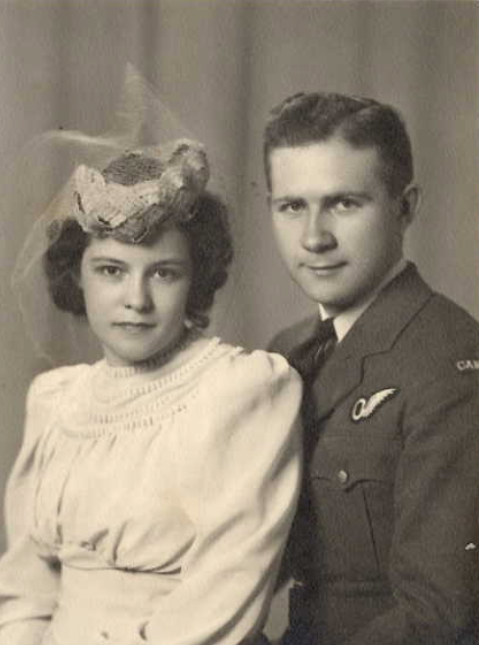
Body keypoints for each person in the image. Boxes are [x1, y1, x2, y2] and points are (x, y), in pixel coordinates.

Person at [0, 138, 303, 645]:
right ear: (78, 275)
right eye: (111, 271)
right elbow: (25, 591)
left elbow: (222, 595)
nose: (136, 299)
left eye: (163, 273)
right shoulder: (54, 400)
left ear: (195, 279)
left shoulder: (240, 391)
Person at [263, 92, 479, 645]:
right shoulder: (288, 353)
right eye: (292, 206)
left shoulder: (447, 365)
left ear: (405, 207)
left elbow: (438, 614)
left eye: (344, 203)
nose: (314, 237)